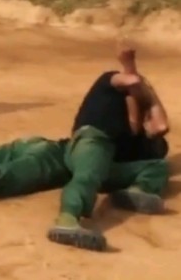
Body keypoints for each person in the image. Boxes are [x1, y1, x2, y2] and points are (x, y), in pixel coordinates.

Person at [46, 43, 170, 251]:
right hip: (92, 141)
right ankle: (67, 219)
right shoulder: (108, 83)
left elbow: (161, 126)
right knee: (89, 172)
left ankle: (134, 193)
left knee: (158, 166)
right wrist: (129, 64)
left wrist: (150, 99)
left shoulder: (139, 138)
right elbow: (132, 81)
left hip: (109, 164)